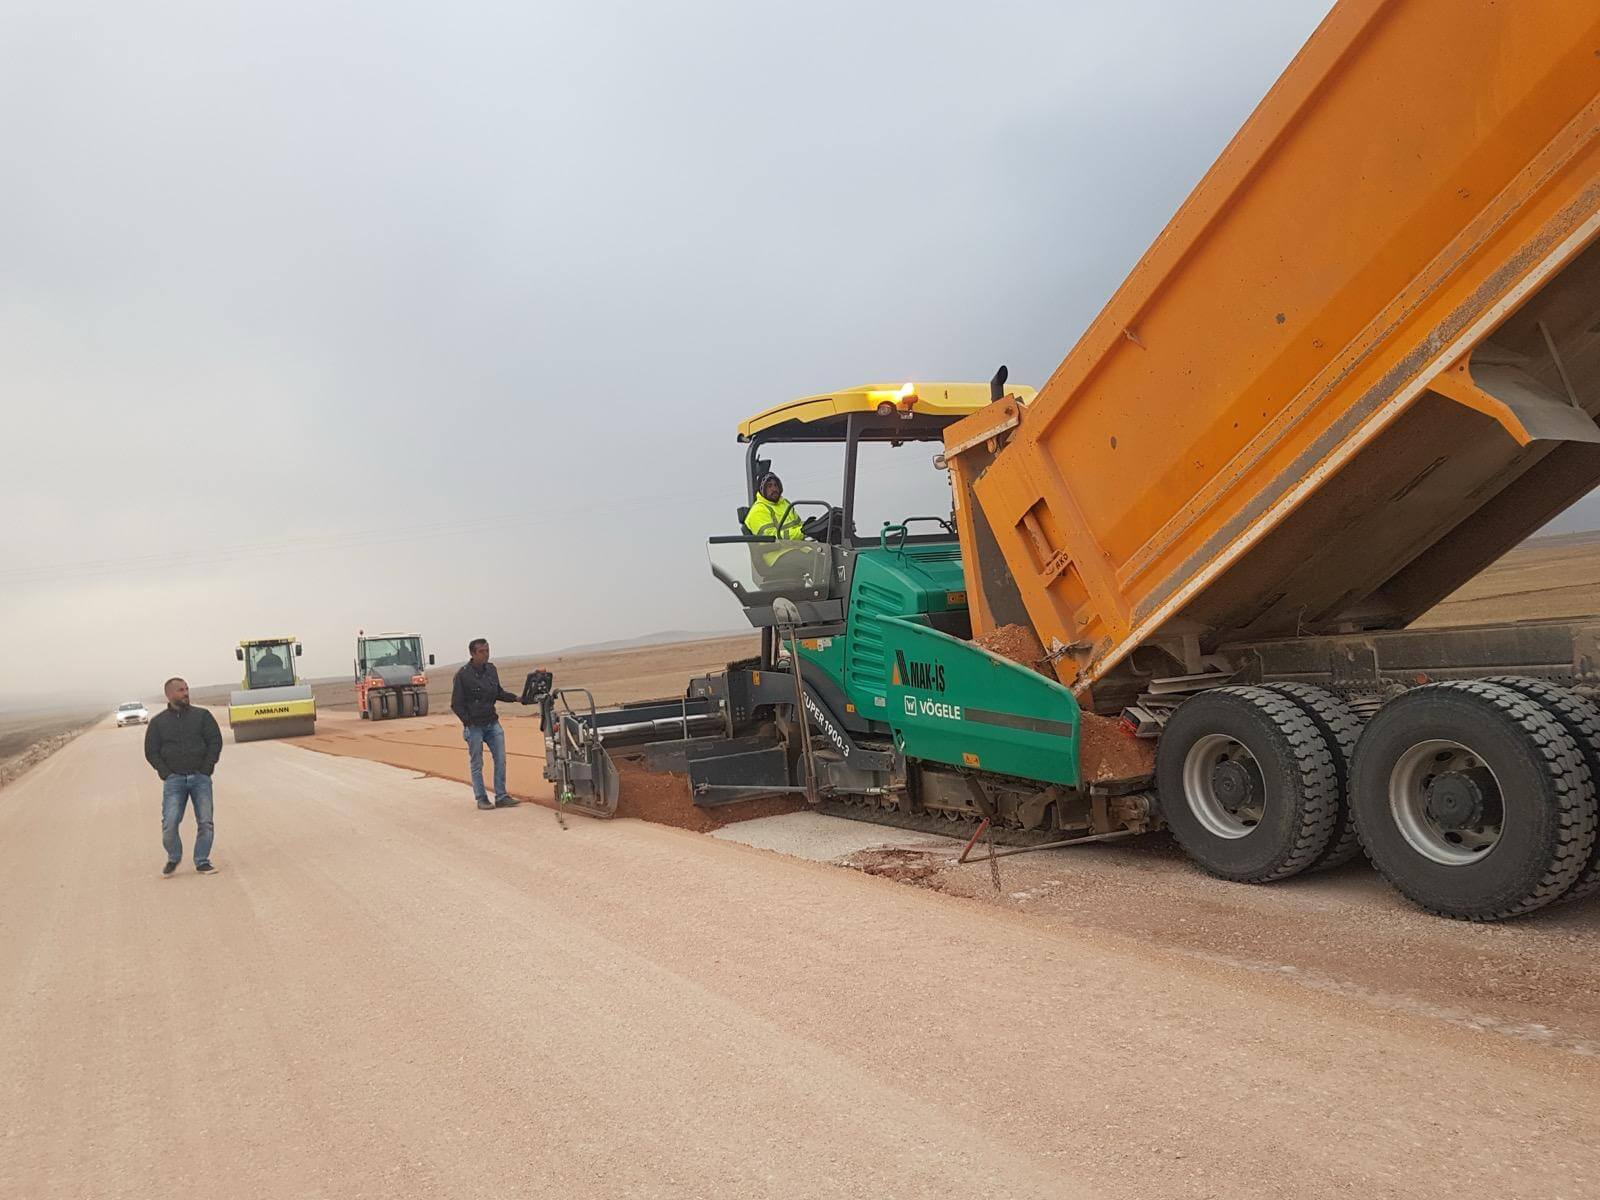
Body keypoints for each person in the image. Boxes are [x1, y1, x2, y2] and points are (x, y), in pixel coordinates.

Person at [142, 677, 223, 877]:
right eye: (180, 690)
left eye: (186, 689)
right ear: (169, 695)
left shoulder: (202, 716)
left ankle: (202, 861)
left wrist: (206, 768)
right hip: (174, 781)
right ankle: (173, 856)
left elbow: (215, 742)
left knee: (205, 821)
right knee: (170, 823)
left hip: (200, 778)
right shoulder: (158, 723)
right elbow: (151, 751)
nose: (185, 693)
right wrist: (166, 773)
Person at [450, 638, 520, 810]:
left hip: (492, 722)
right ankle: (481, 798)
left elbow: (498, 692)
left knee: (501, 759)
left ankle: (501, 796)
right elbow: (456, 704)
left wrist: (517, 698)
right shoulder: (462, 675)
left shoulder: (491, 669)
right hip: (475, 726)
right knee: (477, 762)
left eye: (487, 650)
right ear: (473, 654)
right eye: (482, 651)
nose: (486, 654)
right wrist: (469, 723)